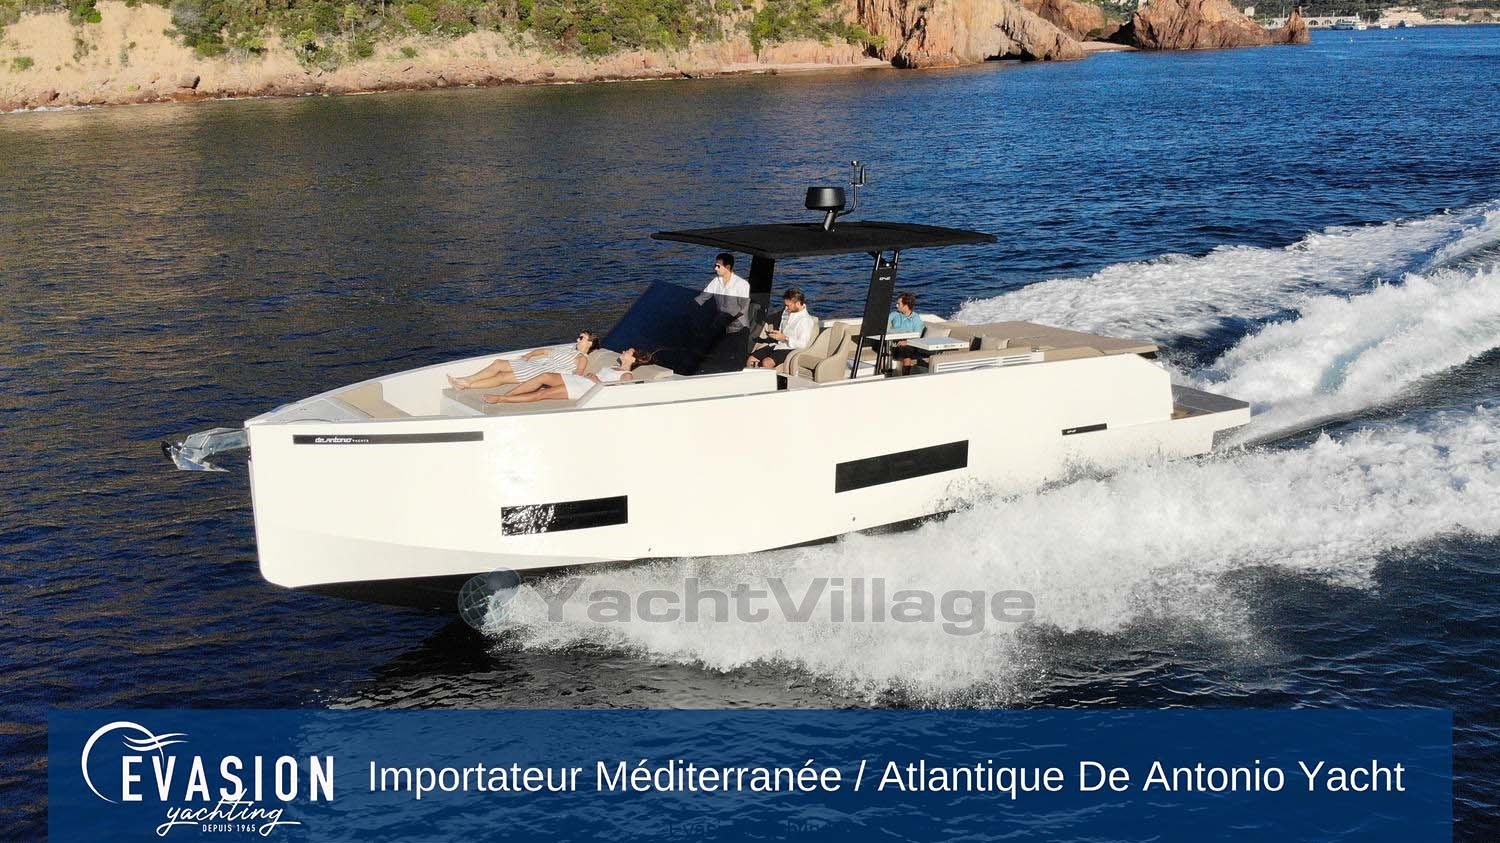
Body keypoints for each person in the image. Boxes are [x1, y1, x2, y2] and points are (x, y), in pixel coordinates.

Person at [486, 349, 657, 404]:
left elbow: (617, 395)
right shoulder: (614, 366)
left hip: (585, 388)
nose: (624, 351)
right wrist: (592, 376)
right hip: (581, 380)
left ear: (632, 359)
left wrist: (596, 380)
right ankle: (509, 394)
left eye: (628, 352)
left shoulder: (626, 375)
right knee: (544, 376)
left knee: (543, 393)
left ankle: (502, 399)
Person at [448, 331, 597, 391]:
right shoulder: (569, 349)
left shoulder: (581, 358)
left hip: (540, 371)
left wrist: (549, 384)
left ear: (589, 343)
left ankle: (466, 385)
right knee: (498, 363)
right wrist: (529, 355)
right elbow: (544, 351)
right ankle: (466, 380)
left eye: (581, 338)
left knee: (502, 377)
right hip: (536, 364)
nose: (577, 339)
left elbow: (577, 375)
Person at [748, 288, 816, 369]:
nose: (786, 308)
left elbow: (802, 344)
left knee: (766, 363)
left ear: (798, 304)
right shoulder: (787, 312)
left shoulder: (805, 320)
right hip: (778, 345)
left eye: (788, 305)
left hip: (791, 349)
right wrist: (775, 334)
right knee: (751, 359)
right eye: (785, 305)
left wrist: (784, 338)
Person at [888, 292, 925, 375]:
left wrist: (907, 342)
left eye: (898, 304)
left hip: (909, 345)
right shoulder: (894, 315)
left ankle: (905, 376)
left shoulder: (916, 319)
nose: (896, 306)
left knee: (906, 350)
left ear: (906, 306)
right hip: (894, 344)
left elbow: (917, 336)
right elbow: (884, 326)